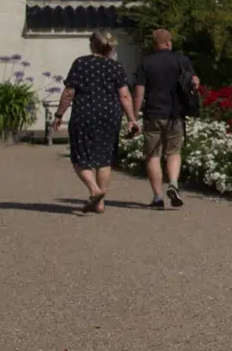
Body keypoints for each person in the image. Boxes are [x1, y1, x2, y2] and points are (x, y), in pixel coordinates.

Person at [51, 31, 140, 214]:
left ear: (92, 44)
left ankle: (95, 190)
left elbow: (69, 92)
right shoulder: (116, 67)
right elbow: (124, 95)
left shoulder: (81, 63)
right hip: (110, 116)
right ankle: (100, 203)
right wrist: (132, 119)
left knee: (78, 156)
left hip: (84, 115)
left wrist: (59, 114)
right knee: (104, 159)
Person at [134, 28, 199, 210]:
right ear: (169, 42)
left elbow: (139, 92)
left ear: (155, 45)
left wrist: (133, 115)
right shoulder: (181, 60)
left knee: (153, 156)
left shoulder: (146, 63)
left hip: (152, 114)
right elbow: (195, 81)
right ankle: (173, 184)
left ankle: (157, 197)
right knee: (174, 152)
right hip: (175, 115)